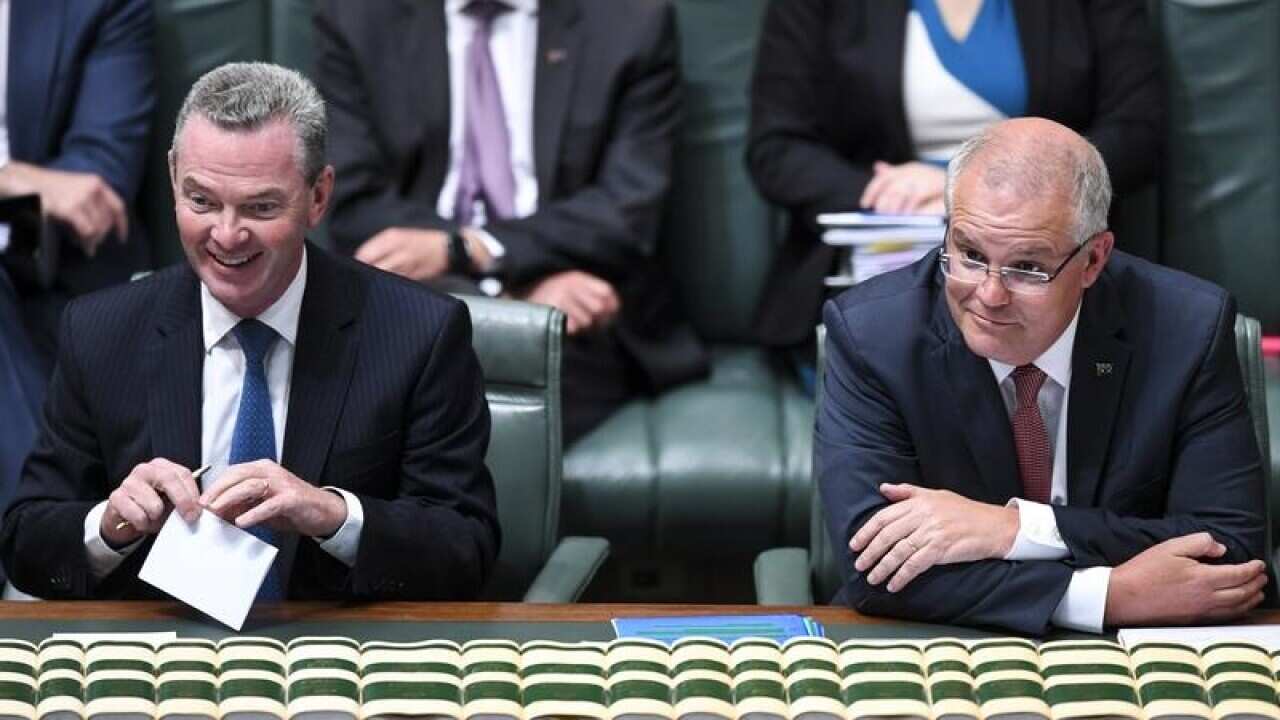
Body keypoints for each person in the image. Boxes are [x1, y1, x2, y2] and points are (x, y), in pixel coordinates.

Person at [0, 62, 500, 601]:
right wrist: (108, 526)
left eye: (261, 207)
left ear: (318, 196)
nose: (227, 234)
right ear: (173, 178)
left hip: (333, 657)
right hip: (162, 658)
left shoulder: (418, 333)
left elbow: (465, 547)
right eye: (202, 201)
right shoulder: (101, 331)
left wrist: (332, 514)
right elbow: (27, 542)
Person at [816, 118, 1267, 635]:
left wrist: (1011, 529)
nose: (988, 294)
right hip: (948, 647)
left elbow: (1230, 555)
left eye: (1026, 268)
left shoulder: (1186, 330)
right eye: (969, 254)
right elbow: (875, 572)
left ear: (1094, 259)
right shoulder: (875, 338)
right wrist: (1103, 596)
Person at [313, 0, 707, 445]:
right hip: (426, 298)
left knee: (478, 399)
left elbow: (627, 207)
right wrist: (510, 294)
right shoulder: (358, 17)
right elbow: (353, 200)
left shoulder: (630, 21)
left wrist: (473, 249)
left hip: (576, 309)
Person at [746, 0, 1163, 350]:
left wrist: (954, 186)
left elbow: (1139, 132)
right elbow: (776, 147)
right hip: (877, 255)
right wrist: (889, 195)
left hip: (1045, 263)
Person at [0, 0, 155, 591]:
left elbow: (95, 187)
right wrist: (11, 178)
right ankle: (30, 576)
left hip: (48, 261)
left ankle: (30, 570)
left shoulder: (95, 6)